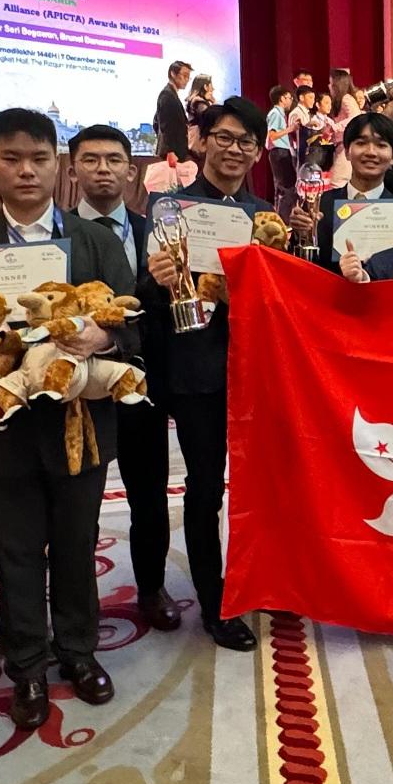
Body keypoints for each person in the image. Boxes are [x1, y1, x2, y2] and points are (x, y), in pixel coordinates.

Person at [0, 109, 138, 730]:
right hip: (0, 429)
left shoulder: (96, 242)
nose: (26, 171)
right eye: (12, 159)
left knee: (78, 544)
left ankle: (78, 652)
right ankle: (26, 663)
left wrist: (99, 341)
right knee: (17, 550)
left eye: (39, 158)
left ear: (58, 164)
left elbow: (130, 329)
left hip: (77, 422)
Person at [144, 97, 272, 652]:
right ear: (202, 141)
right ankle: (215, 600)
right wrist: (159, 275)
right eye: (223, 137)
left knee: (263, 485)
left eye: (246, 141)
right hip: (195, 369)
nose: (234, 149)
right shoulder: (170, 210)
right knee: (204, 488)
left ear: (260, 151)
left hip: (258, 370)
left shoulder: (264, 214)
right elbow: (148, 295)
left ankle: (265, 577)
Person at [68, 124, 182, 632]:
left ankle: (152, 587)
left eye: (114, 160)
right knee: (77, 504)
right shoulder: (57, 235)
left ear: (131, 171)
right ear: (72, 170)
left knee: (149, 494)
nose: (103, 170)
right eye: (90, 160)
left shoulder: (153, 230)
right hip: (77, 390)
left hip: (143, 384)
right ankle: (76, 608)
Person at [287, 111, 393, 269]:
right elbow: (299, 267)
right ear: (346, 151)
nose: (371, 152)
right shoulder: (320, 204)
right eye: (361, 143)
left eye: (381, 145)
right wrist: (301, 235)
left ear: (392, 156)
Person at [266, 86, 299, 218]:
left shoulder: (279, 114)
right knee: (287, 188)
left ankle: (279, 218)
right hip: (279, 152)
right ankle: (284, 220)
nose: (291, 101)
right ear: (282, 99)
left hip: (281, 151)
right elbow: (272, 135)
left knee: (282, 188)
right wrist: (290, 129)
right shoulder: (275, 113)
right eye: (289, 98)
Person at [156, 60, 193, 162]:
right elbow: (164, 125)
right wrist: (170, 150)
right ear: (173, 73)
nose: (186, 80)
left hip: (177, 151)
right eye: (184, 75)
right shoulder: (167, 95)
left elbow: (156, 121)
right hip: (172, 154)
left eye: (188, 77)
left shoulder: (171, 94)